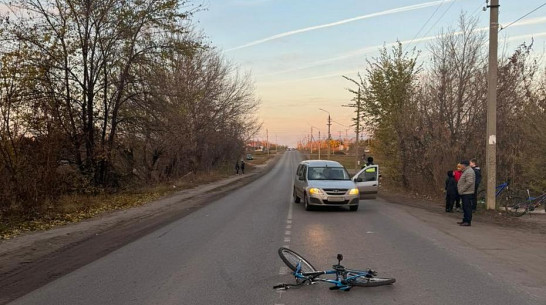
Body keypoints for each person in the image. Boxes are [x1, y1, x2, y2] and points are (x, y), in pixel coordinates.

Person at [457, 160, 475, 227]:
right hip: (465, 192)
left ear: (464, 165)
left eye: (461, 165)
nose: (460, 166)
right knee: (464, 207)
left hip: (467, 192)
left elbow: (469, 182)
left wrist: (462, 189)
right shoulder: (466, 171)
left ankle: (467, 221)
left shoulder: (469, 171)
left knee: (467, 207)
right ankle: (465, 220)